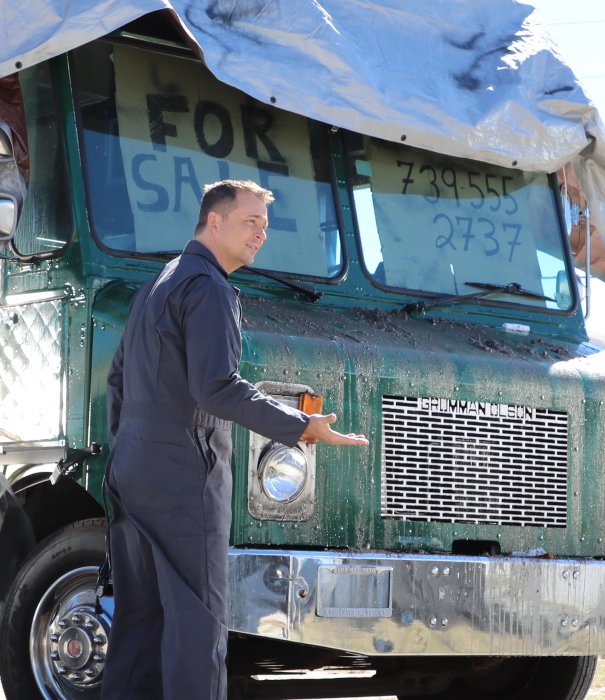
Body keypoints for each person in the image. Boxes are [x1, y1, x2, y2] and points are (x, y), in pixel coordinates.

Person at [101, 180, 368, 699]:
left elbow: (118, 380)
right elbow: (217, 388)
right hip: (183, 470)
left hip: (133, 465)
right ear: (214, 222)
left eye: (265, 226)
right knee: (197, 620)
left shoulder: (160, 282)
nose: (260, 234)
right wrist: (301, 426)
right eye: (251, 222)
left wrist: (130, 449)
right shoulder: (209, 288)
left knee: (140, 615)